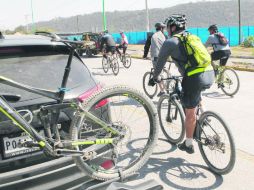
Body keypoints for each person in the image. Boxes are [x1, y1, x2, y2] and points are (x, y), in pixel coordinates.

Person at [148, 14, 214, 154]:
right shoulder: (191, 37)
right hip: (209, 73)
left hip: (194, 77)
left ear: (172, 27)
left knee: (189, 112)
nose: (166, 30)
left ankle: (188, 144)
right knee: (196, 94)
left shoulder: (170, 42)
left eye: (167, 28)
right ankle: (204, 116)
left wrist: (155, 77)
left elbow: (160, 63)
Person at [144, 22, 167, 97]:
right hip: (165, 56)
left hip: (156, 57)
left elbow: (147, 46)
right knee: (163, 70)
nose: (164, 30)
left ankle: (162, 91)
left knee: (157, 74)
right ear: (161, 28)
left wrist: (145, 55)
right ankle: (167, 84)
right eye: (163, 28)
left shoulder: (151, 35)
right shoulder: (165, 35)